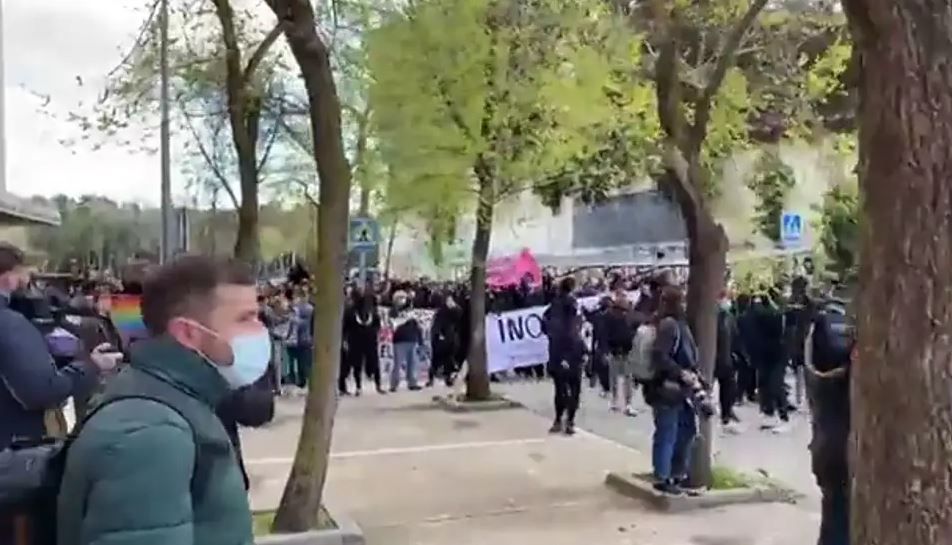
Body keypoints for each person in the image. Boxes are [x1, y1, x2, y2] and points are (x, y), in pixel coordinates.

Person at [57, 255, 268, 545]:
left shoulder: (180, 399)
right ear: (188, 332)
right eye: (246, 318)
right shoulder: (148, 431)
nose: (260, 330)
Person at [0, 243, 115, 451]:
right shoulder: (9, 324)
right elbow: (43, 390)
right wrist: (91, 366)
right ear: (7, 278)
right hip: (13, 454)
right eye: (21, 276)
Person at [645, 286, 700, 495]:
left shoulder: (677, 324)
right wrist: (681, 373)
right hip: (667, 387)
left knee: (686, 430)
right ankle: (663, 476)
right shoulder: (669, 325)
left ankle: (676, 473)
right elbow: (660, 356)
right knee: (668, 431)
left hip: (680, 388)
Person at [807, 300, 853, 545]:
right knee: (839, 515)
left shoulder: (816, 356)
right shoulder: (837, 370)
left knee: (835, 513)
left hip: (826, 443)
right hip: (838, 444)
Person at [542, 278, 581, 434]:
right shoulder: (571, 305)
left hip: (556, 351)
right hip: (571, 351)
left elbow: (544, 322)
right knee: (574, 387)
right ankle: (570, 421)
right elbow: (573, 329)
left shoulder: (553, 305)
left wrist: (551, 336)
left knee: (560, 388)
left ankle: (559, 419)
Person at [342, 290, 383, 395]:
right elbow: (345, 328)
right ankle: (358, 386)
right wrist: (345, 340)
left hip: (370, 341)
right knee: (357, 364)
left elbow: (378, 325)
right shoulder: (350, 312)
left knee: (374, 363)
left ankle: (378, 385)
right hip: (355, 342)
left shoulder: (372, 312)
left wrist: (376, 333)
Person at [389, 290, 424, 391]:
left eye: (403, 298)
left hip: (412, 339)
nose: (402, 300)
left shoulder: (410, 310)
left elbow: (417, 326)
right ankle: (394, 384)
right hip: (399, 340)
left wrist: (420, 339)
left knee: (412, 363)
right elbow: (393, 321)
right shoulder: (393, 310)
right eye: (400, 298)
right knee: (398, 363)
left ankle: (412, 382)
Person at [428, 293, 462, 387]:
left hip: (450, 338)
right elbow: (437, 324)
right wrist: (438, 334)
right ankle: (432, 378)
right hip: (441, 338)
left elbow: (459, 316)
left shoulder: (454, 310)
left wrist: (454, 306)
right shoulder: (441, 312)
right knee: (436, 360)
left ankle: (448, 378)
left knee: (448, 360)